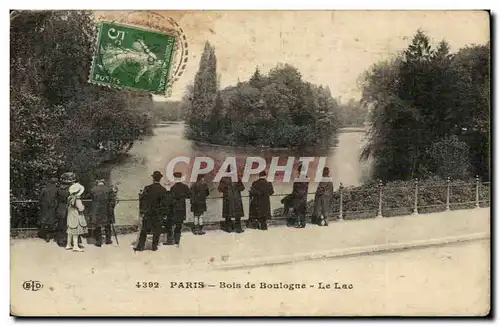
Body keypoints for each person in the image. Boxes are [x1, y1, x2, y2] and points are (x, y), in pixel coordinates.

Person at [134, 171, 168, 252]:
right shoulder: (163, 190)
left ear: (153, 178)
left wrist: (142, 211)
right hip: (158, 213)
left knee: (144, 230)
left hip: (148, 212)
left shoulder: (147, 188)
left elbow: (142, 200)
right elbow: (165, 203)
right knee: (157, 231)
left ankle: (140, 247)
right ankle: (154, 246)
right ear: (160, 179)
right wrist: (164, 214)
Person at [166, 172, 191, 246]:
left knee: (172, 224)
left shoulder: (173, 188)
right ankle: (177, 240)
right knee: (179, 224)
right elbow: (189, 195)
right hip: (182, 208)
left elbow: (170, 199)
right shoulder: (185, 187)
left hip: (174, 208)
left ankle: (171, 239)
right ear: (181, 178)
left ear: (174, 178)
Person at [218, 166, 245, 233]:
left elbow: (220, 189)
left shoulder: (223, 179)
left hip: (228, 199)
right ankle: (238, 229)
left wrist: (226, 189)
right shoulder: (237, 178)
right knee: (237, 214)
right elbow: (242, 188)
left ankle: (228, 228)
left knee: (228, 214)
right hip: (236, 198)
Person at [283, 164, 309, 228]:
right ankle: (302, 223)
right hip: (304, 198)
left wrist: (289, 197)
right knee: (302, 211)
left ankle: (298, 223)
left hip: (298, 198)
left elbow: (295, 190)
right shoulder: (306, 179)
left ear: (299, 171)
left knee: (296, 209)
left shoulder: (297, 180)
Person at [65, 182, 88, 252]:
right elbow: (81, 208)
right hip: (76, 215)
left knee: (70, 230)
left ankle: (68, 244)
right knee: (76, 230)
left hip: (70, 215)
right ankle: (75, 246)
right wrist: (83, 207)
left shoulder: (69, 198)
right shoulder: (77, 199)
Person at [55, 172, 76, 247]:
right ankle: (71, 241)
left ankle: (61, 240)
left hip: (61, 207)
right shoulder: (72, 189)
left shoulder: (59, 188)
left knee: (61, 225)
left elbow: (56, 199)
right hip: (70, 208)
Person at [90, 179, 111, 247]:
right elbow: (112, 199)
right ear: (103, 183)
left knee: (97, 225)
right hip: (106, 209)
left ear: (97, 183)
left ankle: (98, 241)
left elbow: (90, 197)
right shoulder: (108, 189)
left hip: (97, 210)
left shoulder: (93, 189)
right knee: (107, 224)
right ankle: (108, 240)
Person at [38, 177, 59, 242]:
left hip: (44, 208)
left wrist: (41, 205)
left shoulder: (44, 189)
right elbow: (58, 199)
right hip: (52, 208)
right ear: (55, 183)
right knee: (51, 222)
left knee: (44, 222)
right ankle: (48, 236)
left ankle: (44, 235)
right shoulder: (56, 190)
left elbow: (40, 198)